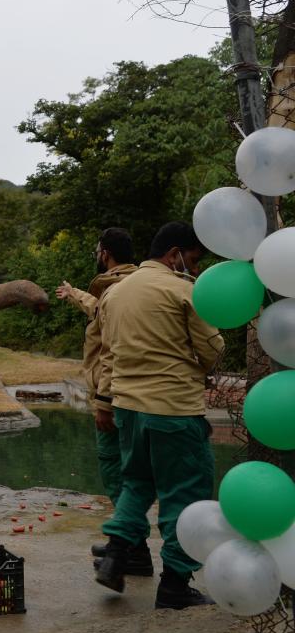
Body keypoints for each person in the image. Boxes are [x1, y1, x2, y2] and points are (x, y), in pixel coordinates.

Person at [94, 222, 224, 610]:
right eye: (193, 259)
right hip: (174, 410)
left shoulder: (114, 293)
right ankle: (175, 585)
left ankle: (116, 554)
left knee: (136, 483)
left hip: (128, 409)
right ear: (174, 255)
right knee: (185, 495)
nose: (194, 268)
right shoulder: (184, 290)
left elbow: (109, 352)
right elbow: (212, 348)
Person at [55, 228, 152, 577]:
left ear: (105, 254)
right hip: (139, 400)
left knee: (118, 474)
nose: (96, 254)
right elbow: (96, 310)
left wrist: (104, 402)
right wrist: (72, 294)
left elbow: (111, 350)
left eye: (98, 250)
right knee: (133, 476)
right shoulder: (130, 285)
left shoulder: (114, 289)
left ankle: (131, 549)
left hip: (118, 400)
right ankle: (129, 547)